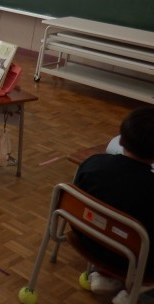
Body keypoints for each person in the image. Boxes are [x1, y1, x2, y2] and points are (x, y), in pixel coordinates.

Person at [73, 107, 154, 304]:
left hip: (87, 239)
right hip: (130, 259)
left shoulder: (93, 163)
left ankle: (104, 274)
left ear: (121, 138)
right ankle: (136, 292)